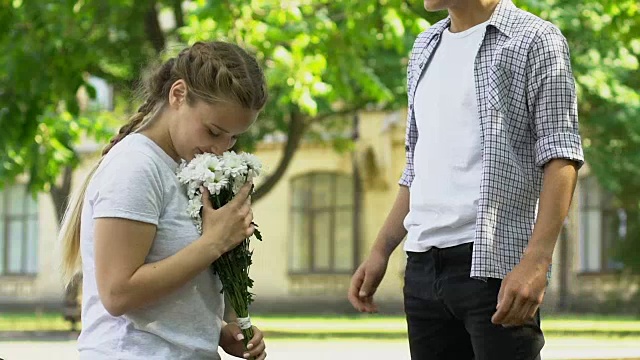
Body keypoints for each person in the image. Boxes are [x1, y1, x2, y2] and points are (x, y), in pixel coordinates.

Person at [348, 0, 584, 358]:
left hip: (495, 269)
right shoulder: (424, 46)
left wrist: (537, 262)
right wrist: (381, 250)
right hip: (423, 267)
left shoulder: (535, 39)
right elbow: (416, 163)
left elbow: (561, 155)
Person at [59, 41, 268, 360]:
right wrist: (214, 243)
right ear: (178, 94)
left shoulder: (187, 167)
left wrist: (216, 330)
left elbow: (176, 295)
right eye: (214, 131)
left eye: (234, 137)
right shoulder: (136, 166)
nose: (222, 148)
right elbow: (117, 293)